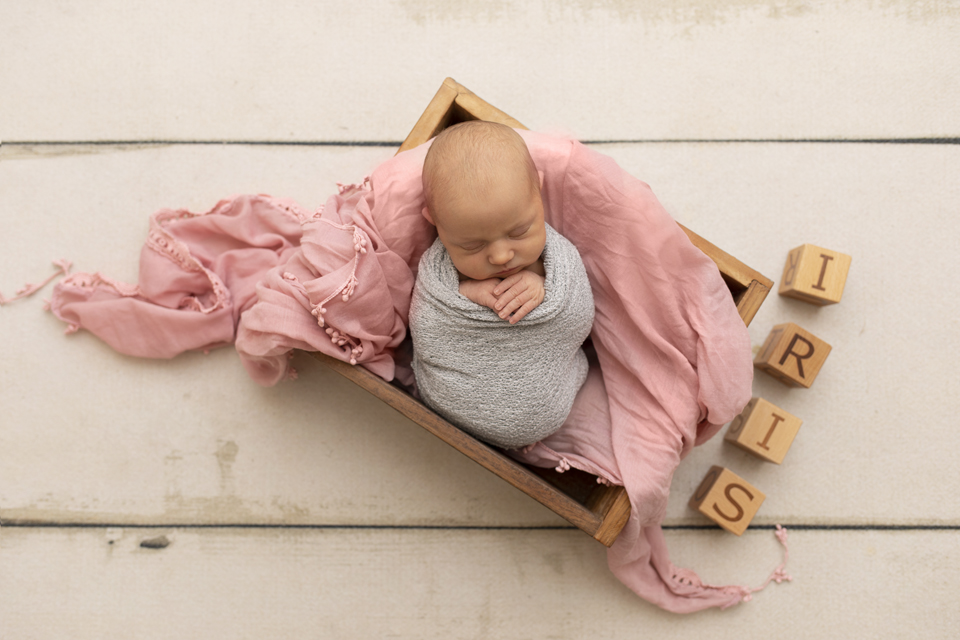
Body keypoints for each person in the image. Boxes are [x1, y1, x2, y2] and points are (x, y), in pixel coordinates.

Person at [409, 121, 595, 449]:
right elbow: (427, 322)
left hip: (544, 392)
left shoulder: (557, 257)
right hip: (452, 400)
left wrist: (542, 286)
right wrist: (467, 294)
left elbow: (579, 313)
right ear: (435, 223)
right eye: (472, 246)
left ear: (537, 191)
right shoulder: (440, 268)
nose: (501, 255)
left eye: (519, 232)